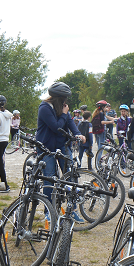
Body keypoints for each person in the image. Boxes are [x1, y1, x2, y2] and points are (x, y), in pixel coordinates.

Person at [36, 81, 86, 221]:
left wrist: (78, 133)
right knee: (50, 179)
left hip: (62, 146)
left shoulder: (63, 108)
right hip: (46, 148)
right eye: (64, 99)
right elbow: (56, 126)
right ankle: (48, 212)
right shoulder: (44, 108)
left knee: (71, 178)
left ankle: (71, 210)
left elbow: (70, 122)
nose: (66, 102)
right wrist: (64, 114)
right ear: (58, 99)